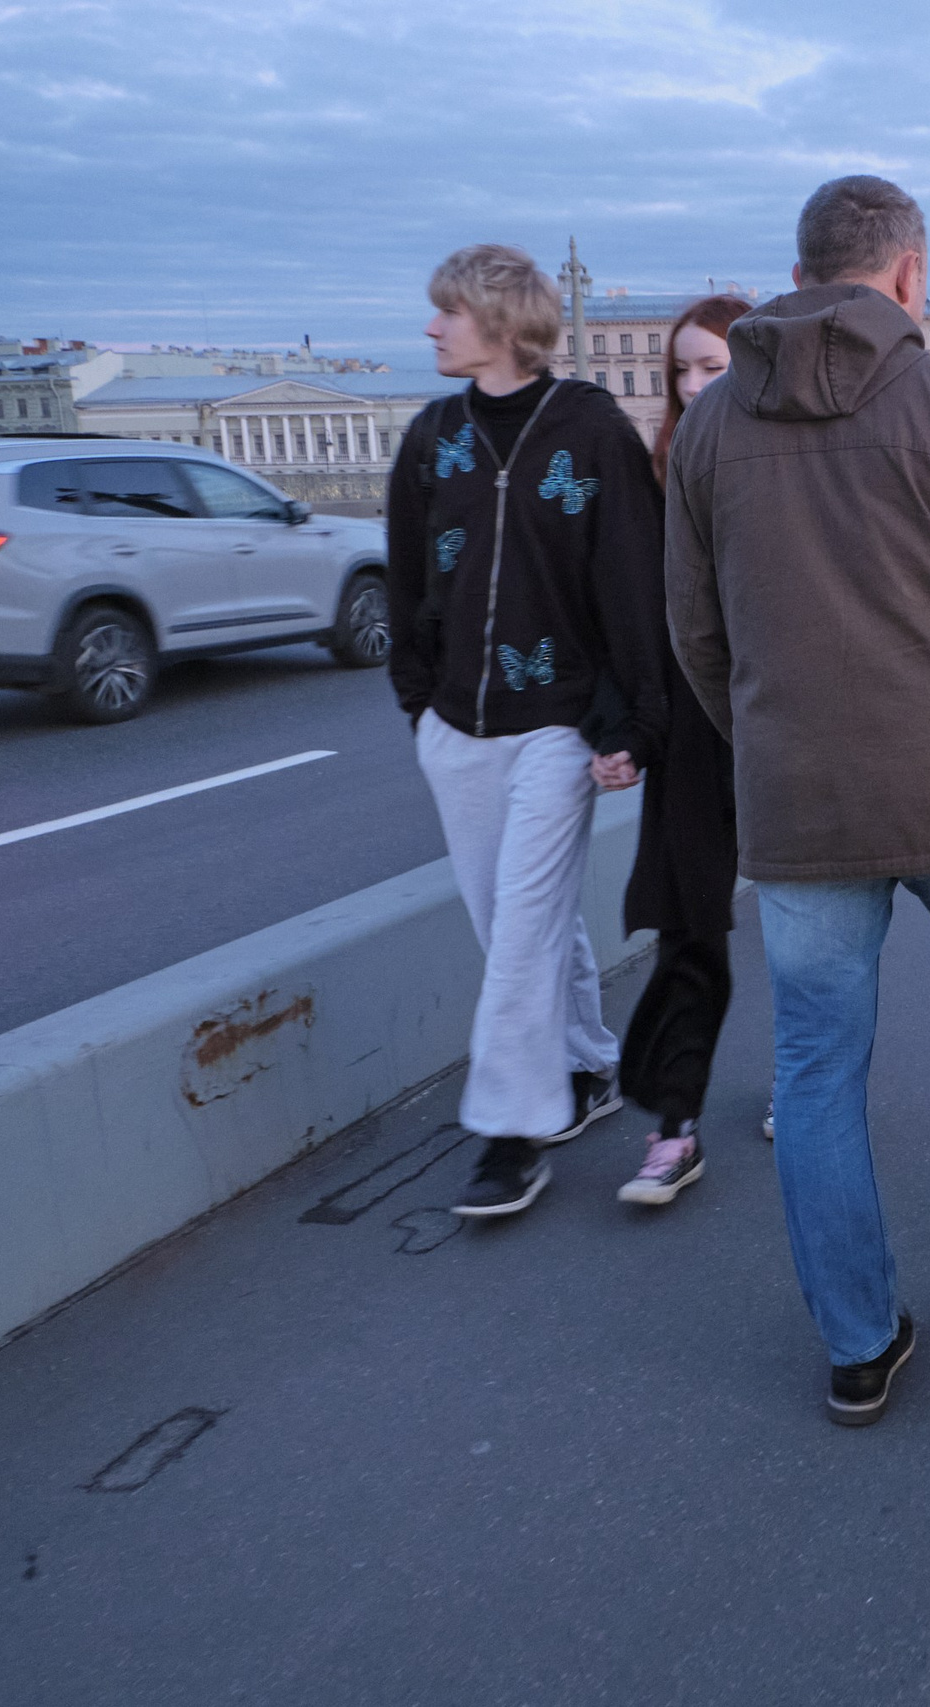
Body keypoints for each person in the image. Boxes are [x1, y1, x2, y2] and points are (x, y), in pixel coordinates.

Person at [665, 176, 930, 1426]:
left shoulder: (706, 432)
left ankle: (859, 1343)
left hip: (798, 809)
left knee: (812, 1067)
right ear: (907, 275)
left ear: (799, 273)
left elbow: (694, 638)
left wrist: (770, 742)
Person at [385, 243, 669, 1219]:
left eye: (447, 313)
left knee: (520, 934)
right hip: (457, 724)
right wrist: (417, 701)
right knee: (509, 920)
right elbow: (407, 576)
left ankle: (510, 1136)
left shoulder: (588, 429)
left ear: (501, 322)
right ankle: (589, 1065)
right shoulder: (431, 437)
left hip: (557, 724)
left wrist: (635, 717)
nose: (431, 328)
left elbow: (633, 575)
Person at [609, 294, 757, 1208]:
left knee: (819, 929)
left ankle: (809, 1084)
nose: (695, 386)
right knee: (691, 925)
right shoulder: (656, 478)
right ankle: (674, 1121)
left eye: (715, 367)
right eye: (682, 371)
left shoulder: (788, 467)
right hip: (697, 730)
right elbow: (632, 619)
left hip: (786, 722)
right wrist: (631, 728)